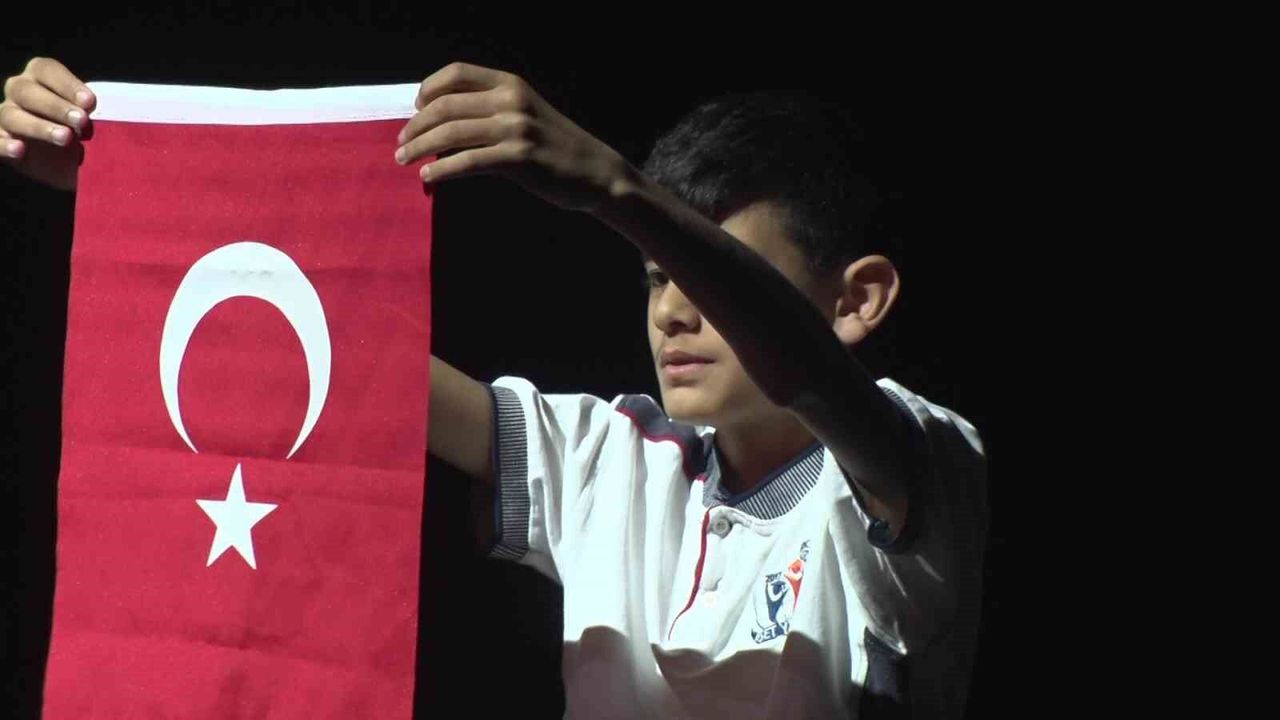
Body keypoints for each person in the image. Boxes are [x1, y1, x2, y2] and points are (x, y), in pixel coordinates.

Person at [2, 57, 988, 719]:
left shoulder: (919, 465)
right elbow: (325, 340)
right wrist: (133, 190)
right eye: (655, 279)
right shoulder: (609, 460)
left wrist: (618, 192)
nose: (672, 313)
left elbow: (810, 375)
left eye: (709, 272)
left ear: (856, 299)